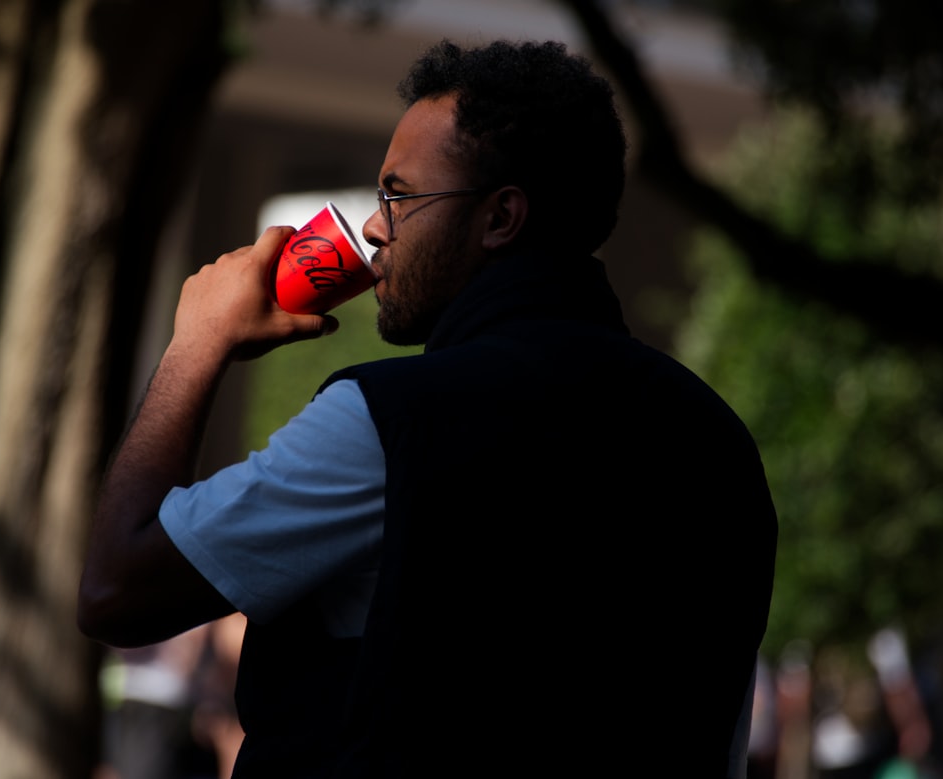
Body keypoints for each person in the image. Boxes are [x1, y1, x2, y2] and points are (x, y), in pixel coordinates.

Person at [78, 39, 778, 778]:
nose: (376, 228)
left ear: (501, 217)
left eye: (398, 195)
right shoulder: (720, 445)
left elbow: (115, 589)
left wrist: (198, 342)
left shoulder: (389, 422)